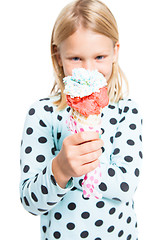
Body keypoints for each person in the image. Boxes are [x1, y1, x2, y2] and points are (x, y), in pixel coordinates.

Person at [20, 0, 143, 239]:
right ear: (58, 56)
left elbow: (126, 186)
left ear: (115, 52)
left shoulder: (127, 112)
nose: (88, 70)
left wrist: (83, 170)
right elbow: (30, 201)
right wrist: (61, 169)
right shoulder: (42, 114)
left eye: (99, 56)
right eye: (76, 58)